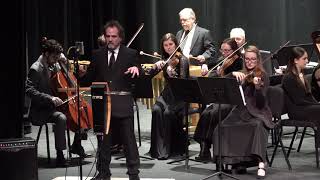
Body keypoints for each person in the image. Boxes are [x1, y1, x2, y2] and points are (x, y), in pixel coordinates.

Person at [79, 20, 142, 180]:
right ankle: (103, 173)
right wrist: (79, 74)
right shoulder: (97, 54)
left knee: (128, 141)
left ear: (120, 38)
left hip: (122, 104)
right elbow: (88, 79)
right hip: (103, 105)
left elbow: (139, 73)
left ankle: (134, 174)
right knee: (103, 141)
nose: (110, 39)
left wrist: (137, 69)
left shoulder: (130, 54)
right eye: (108, 36)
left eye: (114, 36)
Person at [213, 45, 275, 178]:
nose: (250, 62)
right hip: (240, 110)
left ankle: (260, 162)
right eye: (247, 59)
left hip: (258, 111)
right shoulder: (241, 73)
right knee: (221, 127)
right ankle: (232, 162)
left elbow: (261, 103)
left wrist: (258, 88)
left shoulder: (262, 75)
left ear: (258, 60)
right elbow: (223, 85)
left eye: (253, 59)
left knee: (257, 126)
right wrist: (232, 74)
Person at [193, 38, 243, 161]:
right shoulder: (222, 60)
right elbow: (210, 65)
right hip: (220, 98)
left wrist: (229, 74)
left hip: (233, 100)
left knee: (215, 113)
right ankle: (204, 148)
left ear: (235, 50)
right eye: (223, 50)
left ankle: (209, 146)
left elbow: (233, 80)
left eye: (227, 51)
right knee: (205, 113)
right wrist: (205, 66)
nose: (224, 53)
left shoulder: (240, 62)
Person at [25, 38, 68, 167]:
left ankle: (77, 145)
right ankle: (60, 155)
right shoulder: (36, 68)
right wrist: (49, 98)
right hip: (39, 111)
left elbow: (65, 78)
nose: (56, 59)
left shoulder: (54, 65)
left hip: (51, 108)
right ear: (46, 54)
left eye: (57, 57)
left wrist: (66, 63)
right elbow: (28, 89)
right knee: (61, 118)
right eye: (54, 56)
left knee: (74, 113)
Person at [148, 33, 190, 160]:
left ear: (176, 45)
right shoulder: (165, 59)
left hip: (180, 96)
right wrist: (155, 67)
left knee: (167, 113)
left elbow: (182, 83)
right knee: (156, 110)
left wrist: (171, 73)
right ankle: (158, 150)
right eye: (165, 45)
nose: (168, 47)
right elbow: (150, 75)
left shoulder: (182, 60)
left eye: (171, 44)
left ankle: (171, 149)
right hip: (167, 94)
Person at [282, 47, 320, 147]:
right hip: (297, 110)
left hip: (306, 107)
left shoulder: (302, 74)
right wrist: (316, 105)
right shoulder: (288, 78)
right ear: (295, 60)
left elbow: (308, 96)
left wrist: (316, 103)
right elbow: (298, 100)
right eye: (304, 59)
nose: (307, 61)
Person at [176, 8, 216, 76]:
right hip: (180, 69)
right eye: (181, 20)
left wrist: (204, 56)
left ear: (193, 19)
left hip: (195, 69)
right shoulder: (179, 33)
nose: (182, 22)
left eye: (185, 20)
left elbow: (211, 50)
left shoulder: (204, 33)